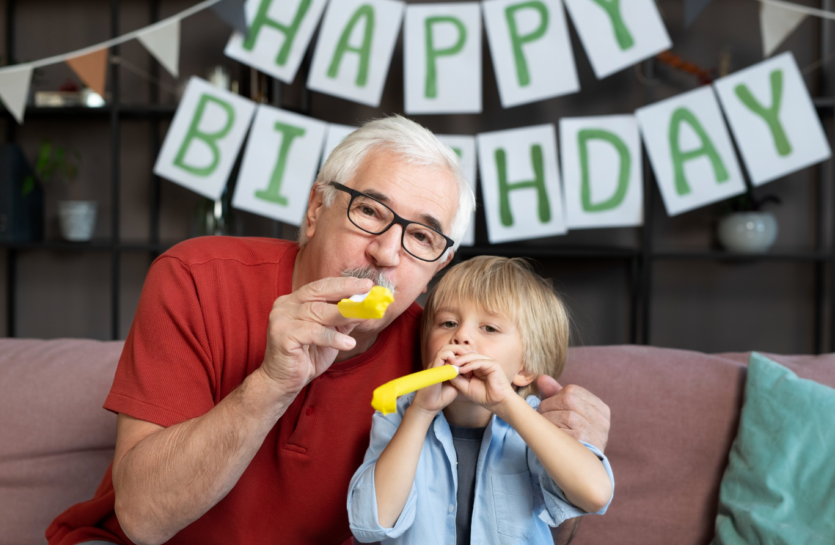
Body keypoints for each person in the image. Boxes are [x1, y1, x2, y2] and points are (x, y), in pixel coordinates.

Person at [46, 116, 611, 545]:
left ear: (438, 266)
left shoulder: (435, 353)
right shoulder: (195, 279)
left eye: (422, 237)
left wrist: (567, 443)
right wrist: (272, 382)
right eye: (369, 211)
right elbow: (143, 518)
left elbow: (512, 517)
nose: (387, 252)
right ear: (315, 209)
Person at [347, 257, 614, 544]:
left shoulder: (539, 423)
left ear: (524, 369)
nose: (460, 336)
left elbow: (596, 495)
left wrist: (505, 403)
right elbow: (369, 524)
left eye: (489, 328)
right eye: (448, 323)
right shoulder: (401, 414)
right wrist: (421, 412)